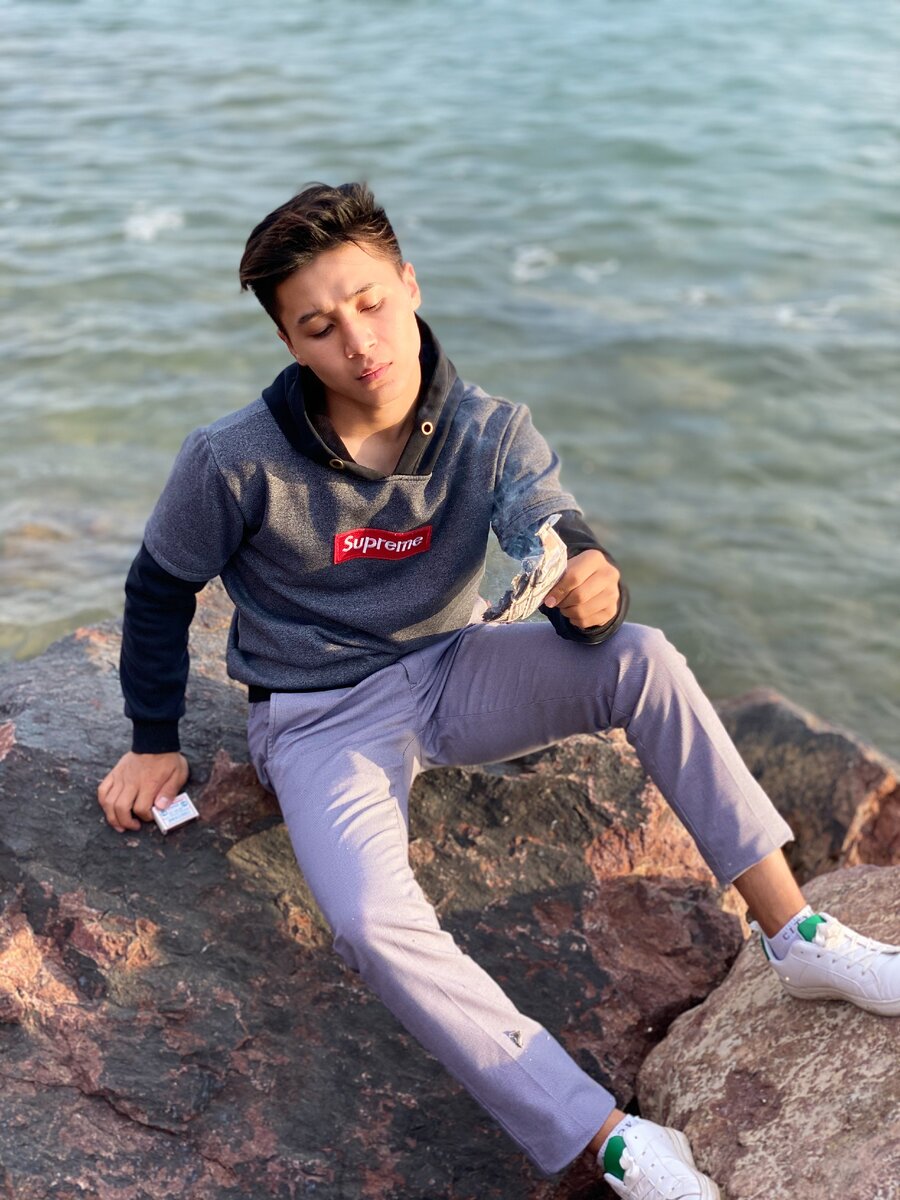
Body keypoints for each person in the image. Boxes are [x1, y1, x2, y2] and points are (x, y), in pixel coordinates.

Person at [98, 182, 900, 1199]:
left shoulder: (487, 428)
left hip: (454, 669)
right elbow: (159, 588)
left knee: (643, 656)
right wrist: (152, 736)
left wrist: (589, 585)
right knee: (372, 924)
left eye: (370, 302)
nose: (359, 341)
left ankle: (796, 934)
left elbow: (552, 526)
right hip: (319, 717)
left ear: (409, 284)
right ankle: (609, 1137)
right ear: (289, 341)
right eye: (320, 325)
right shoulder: (231, 459)